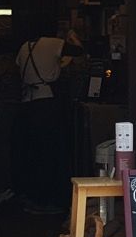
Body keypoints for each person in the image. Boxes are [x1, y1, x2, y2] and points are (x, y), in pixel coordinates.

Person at [13, 26, 84, 213]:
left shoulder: (24, 47)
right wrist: (73, 38)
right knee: (51, 152)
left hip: (27, 102)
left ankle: (34, 197)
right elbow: (79, 52)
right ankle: (50, 200)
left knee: (33, 152)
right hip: (46, 103)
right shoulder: (52, 43)